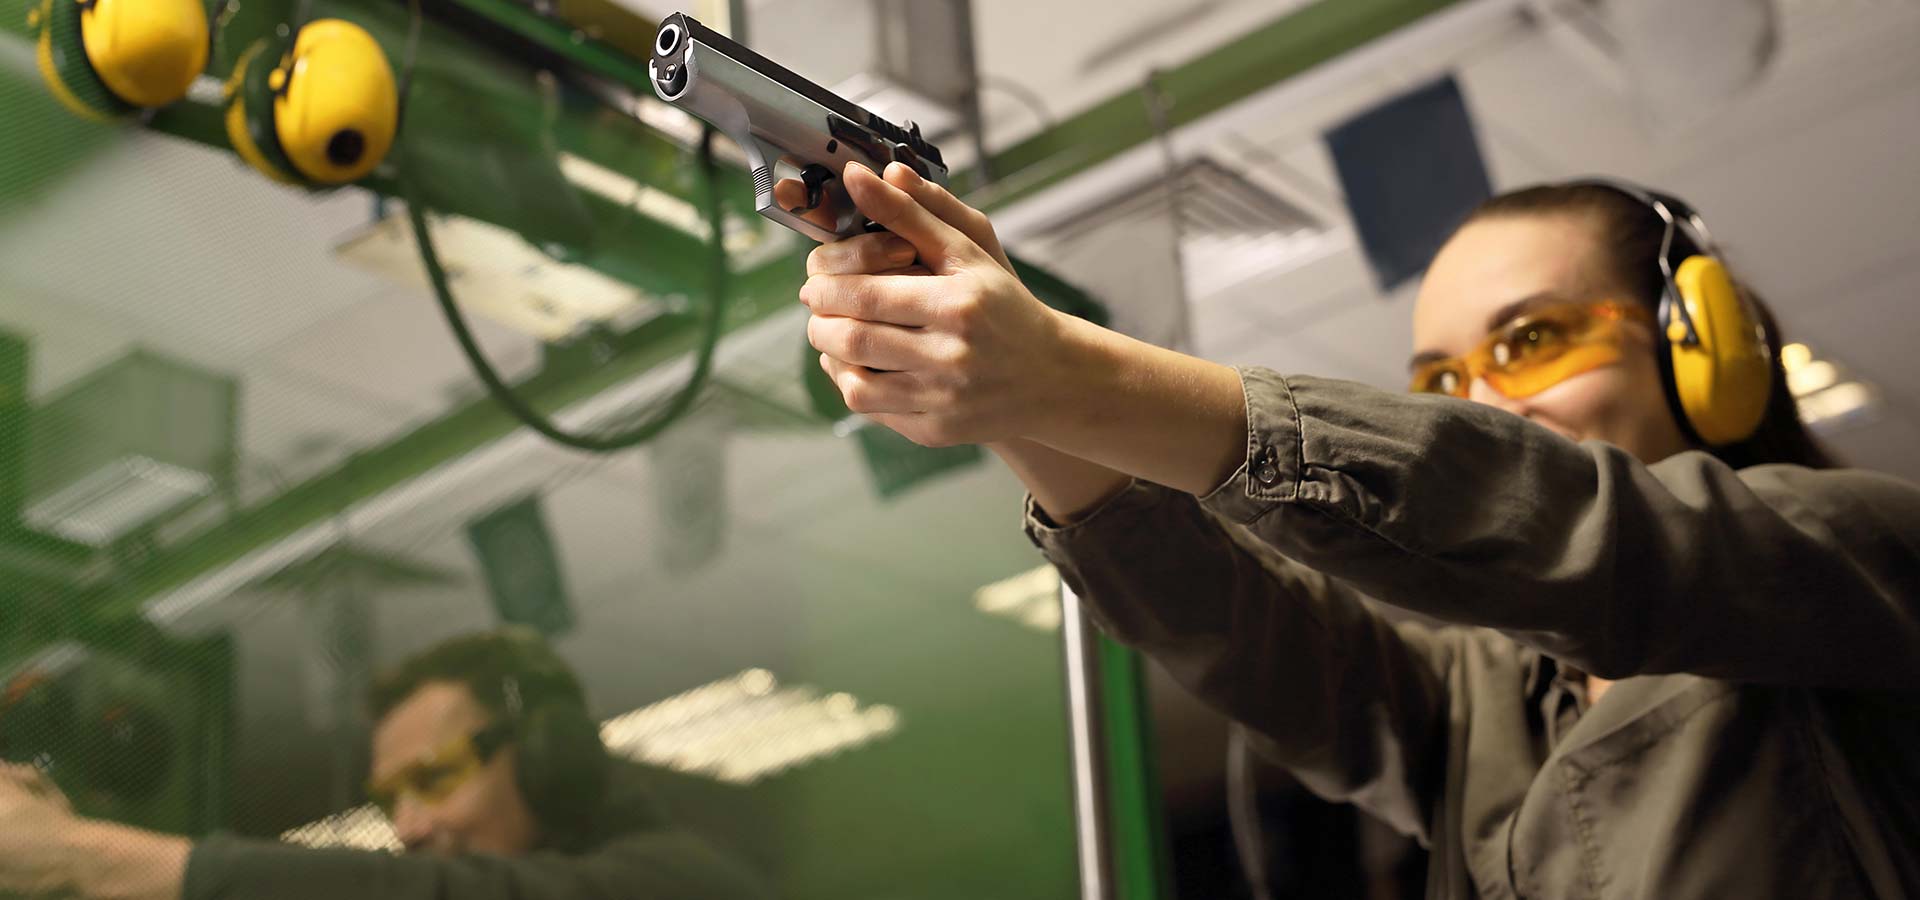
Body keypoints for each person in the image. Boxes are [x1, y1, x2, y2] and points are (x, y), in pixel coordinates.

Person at [785, 161, 1920, 898]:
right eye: (1441, 376)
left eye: (1531, 341)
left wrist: (1069, 365)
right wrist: (1023, 403)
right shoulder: (1489, 699)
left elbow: (1562, 524)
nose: (1481, 404)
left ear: (1700, 342)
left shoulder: (1861, 551)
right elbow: (1243, 634)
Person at [0, 627, 768, 900]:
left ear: (545, 756)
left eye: (432, 781)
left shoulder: (676, 881)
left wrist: (81, 856)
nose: (409, 827)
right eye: (391, 799)